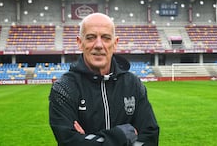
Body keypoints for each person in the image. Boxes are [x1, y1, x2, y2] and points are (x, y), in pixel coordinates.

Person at [49, 13, 159, 146]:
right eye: (91, 37)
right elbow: (69, 141)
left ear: (115, 43)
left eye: (106, 38)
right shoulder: (64, 88)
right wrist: (122, 136)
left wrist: (88, 140)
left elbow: (150, 137)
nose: (99, 45)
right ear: (80, 42)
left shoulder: (133, 84)